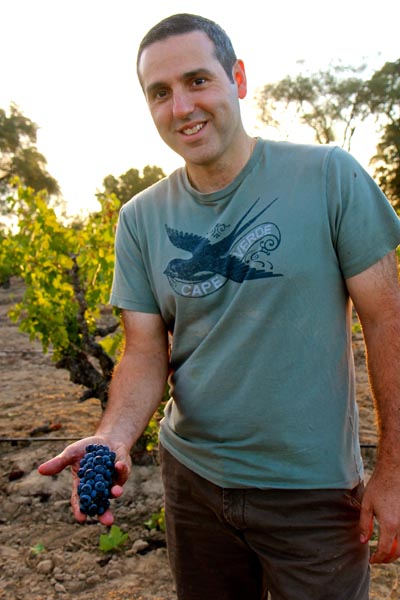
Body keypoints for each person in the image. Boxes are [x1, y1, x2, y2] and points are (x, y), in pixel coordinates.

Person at [39, 13, 400, 600]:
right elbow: (143, 353)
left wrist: (395, 468)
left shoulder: (329, 177)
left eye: (197, 80)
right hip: (194, 486)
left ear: (238, 78)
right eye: (160, 93)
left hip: (310, 495)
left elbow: (389, 320)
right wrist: (113, 437)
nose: (181, 106)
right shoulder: (141, 219)